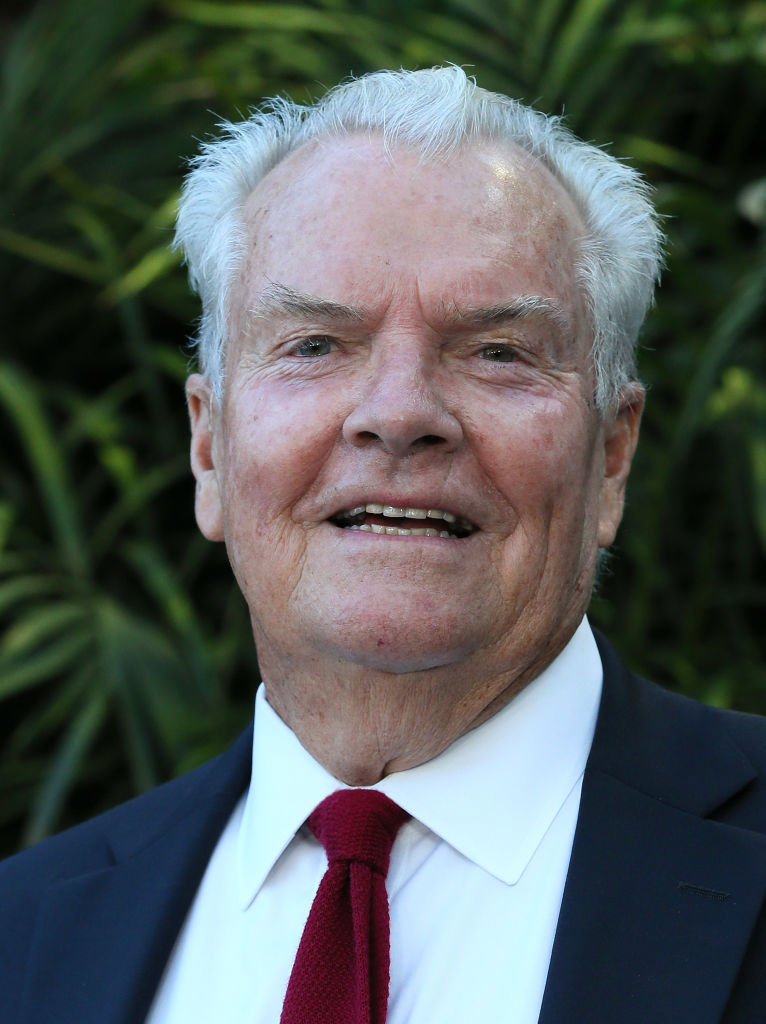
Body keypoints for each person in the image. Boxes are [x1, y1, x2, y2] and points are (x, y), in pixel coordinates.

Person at [1, 66, 765, 1024]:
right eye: (315, 344)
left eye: (496, 352)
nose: (400, 415)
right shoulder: (21, 933)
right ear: (208, 446)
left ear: (611, 457)